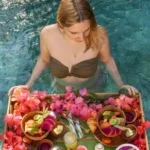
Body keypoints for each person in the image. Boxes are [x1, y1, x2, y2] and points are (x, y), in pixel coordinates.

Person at [8, 0, 138, 95]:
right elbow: (43, 59)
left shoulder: (99, 33)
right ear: (60, 25)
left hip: (93, 87)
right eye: (74, 33)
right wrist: (28, 84)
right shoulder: (47, 34)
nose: (81, 37)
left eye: (86, 30)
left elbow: (107, 60)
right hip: (60, 87)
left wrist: (121, 85)